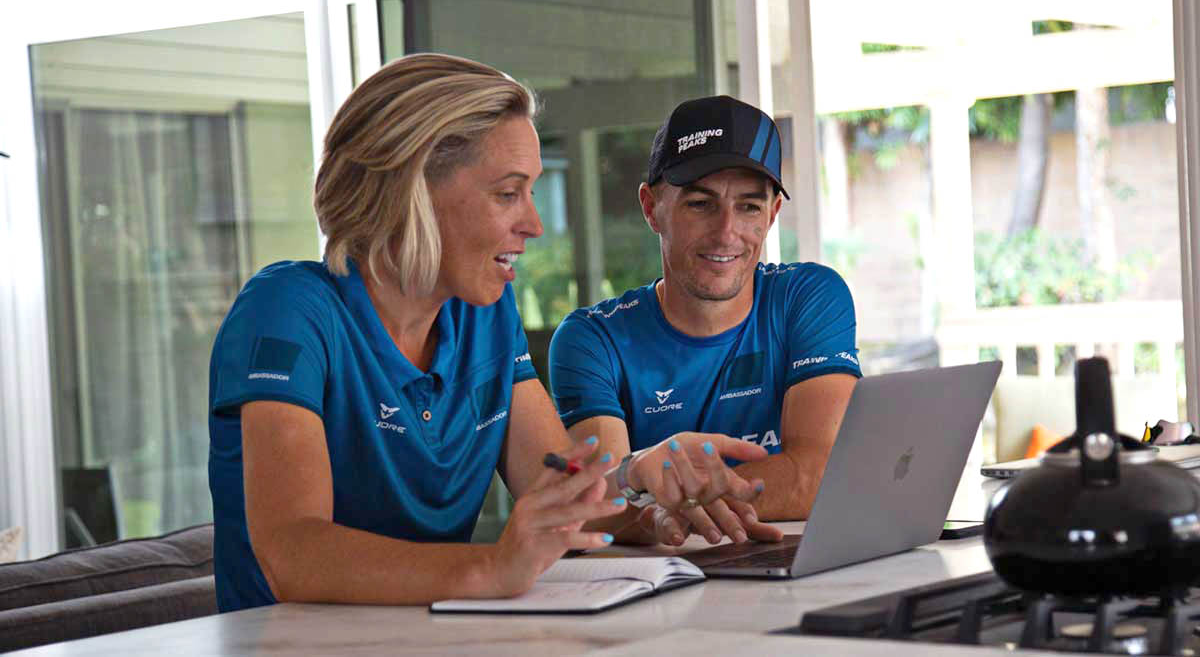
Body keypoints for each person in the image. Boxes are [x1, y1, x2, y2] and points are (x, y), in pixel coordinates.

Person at [207, 55, 768, 612]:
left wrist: (640, 476)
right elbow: (293, 555)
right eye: (507, 194)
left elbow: (562, 489)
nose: (535, 224)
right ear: (412, 190)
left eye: (532, 192)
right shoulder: (288, 309)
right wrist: (493, 567)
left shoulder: (485, 312)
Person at [548, 95, 863, 547]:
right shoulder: (593, 340)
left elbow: (821, 474)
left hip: (795, 567)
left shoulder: (807, 297)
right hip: (665, 578)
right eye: (700, 204)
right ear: (651, 207)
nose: (726, 233)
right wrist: (654, 503)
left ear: (773, 213)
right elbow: (596, 504)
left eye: (749, 207)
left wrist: (673, 500)